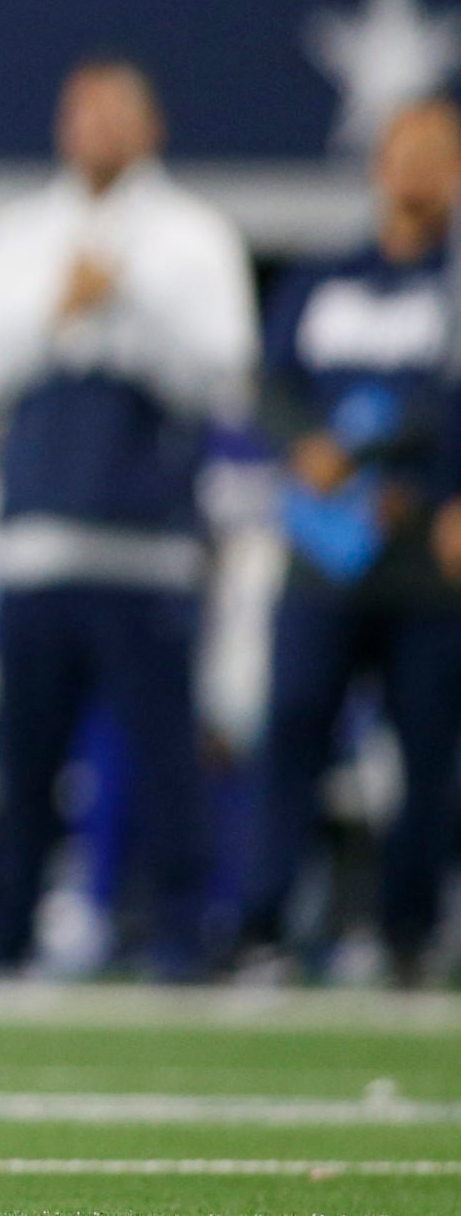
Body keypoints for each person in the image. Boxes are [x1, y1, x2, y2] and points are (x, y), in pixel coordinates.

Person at [0, 58, 255, 977]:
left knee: (164, 758)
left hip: (147, 547)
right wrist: (56, 312)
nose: (101, 128)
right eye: (86, 111)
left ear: (152, 126)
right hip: (37, 543)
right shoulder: (17, 234)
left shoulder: (193, 235)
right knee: (26, 761)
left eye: (119, 112)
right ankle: (6, 936)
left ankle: (183, 934)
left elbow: (222, 372)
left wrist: (130, 304)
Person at [239, 98, 461, 986]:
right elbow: (270, 385)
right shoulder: (327, 276)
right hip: (326, 549)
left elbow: (435, 412)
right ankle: (265, 924)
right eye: (407, 151)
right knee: (293, 727)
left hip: (424, 552)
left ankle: (408, 933)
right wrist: (306, 448)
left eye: (438, 153)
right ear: (378, 164)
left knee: (427, 750)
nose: (419, 169)